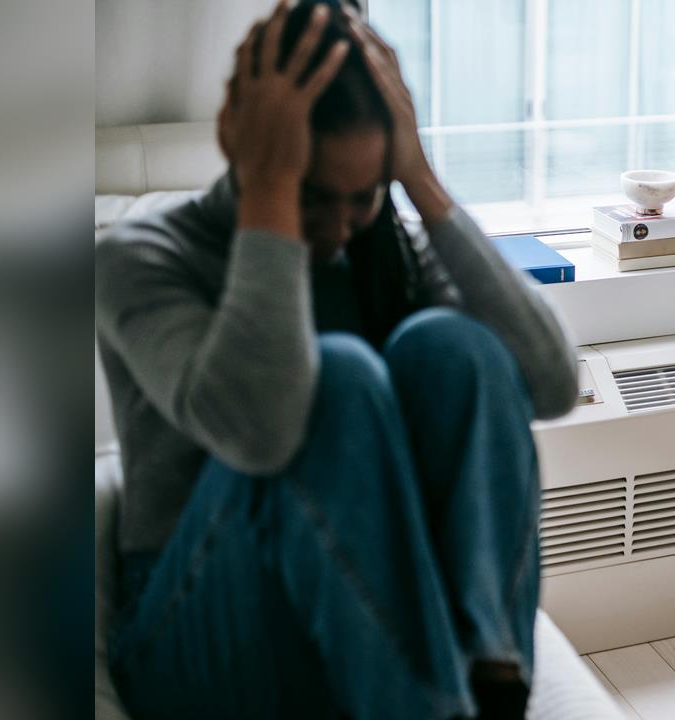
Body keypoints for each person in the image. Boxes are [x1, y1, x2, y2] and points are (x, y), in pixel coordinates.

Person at [95, 2, 577, 718]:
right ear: (243, 137)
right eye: (312, 195)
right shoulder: (142, 256)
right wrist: (269, 198)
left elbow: (550, 383)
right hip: (192, 632)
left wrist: (420, 182)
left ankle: (491, 683)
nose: (339, 228)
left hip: (358, 618)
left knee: (455, 348)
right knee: (342, 376)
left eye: (365, 197)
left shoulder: (385, 250)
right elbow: (261, 430)